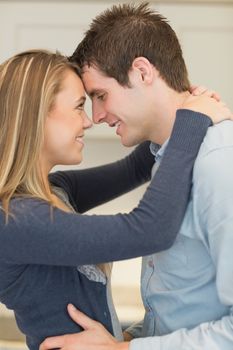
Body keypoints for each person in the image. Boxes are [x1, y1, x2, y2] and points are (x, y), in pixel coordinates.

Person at [39, 2, 233, 350]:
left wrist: (122, 349)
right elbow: (184, 306)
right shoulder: (169, 158)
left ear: (142, 72)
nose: (95, 116)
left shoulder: (219, 163)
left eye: (100, 95)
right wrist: (131, 338)